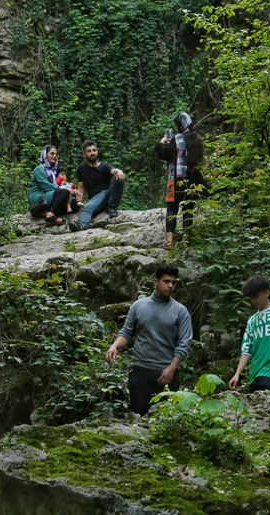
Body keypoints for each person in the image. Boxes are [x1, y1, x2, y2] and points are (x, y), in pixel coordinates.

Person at [104, 264, 193, 415]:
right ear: (155, 282)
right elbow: (127, 333)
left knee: (165, 419)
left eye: (174, 282)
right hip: (140, 371)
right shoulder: (138, 306)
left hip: (166, 373)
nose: (170, 286)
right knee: (139, 416)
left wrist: (171, 369)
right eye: (166, 281)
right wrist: (114, 347)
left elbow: (184, 343)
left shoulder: (180, 311)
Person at [154, 113, 206, 249]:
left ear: (181, 124)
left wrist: (162, 142)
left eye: (177, 124)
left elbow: (165, 154)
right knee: (188, 208)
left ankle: (169, 241)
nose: (176, 127)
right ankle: (185, 241)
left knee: (172, 208)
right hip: (194, 178)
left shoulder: (178, 139)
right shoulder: (198, 139)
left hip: (177, 179)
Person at [72, 140, 125, 232]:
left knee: (118, 177)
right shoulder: (82, 168)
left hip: (108, 195)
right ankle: (83, 226)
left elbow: (113, 170)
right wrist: (79, 201)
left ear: (97, 151)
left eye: (94, 150)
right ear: (84, 154)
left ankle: (112, 207)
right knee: (88, 207)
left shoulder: (104, 166)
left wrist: (119, 171)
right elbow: (81, 186)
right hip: (96, 201)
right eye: (89, 151)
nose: (92, 153)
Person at [29, 145, 80, 226]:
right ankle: (50, 216)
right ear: (45, 155)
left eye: (56, 154)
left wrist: (71, 191)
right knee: (64, 192)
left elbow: (61, 185)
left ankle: (46, 212)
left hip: (51, 196)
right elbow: (45, 186)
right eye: (52, 153)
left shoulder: (54, 171)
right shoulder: (39, 169)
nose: (54, 156)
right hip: (39, 198)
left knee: (74, 204)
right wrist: (62, 189)